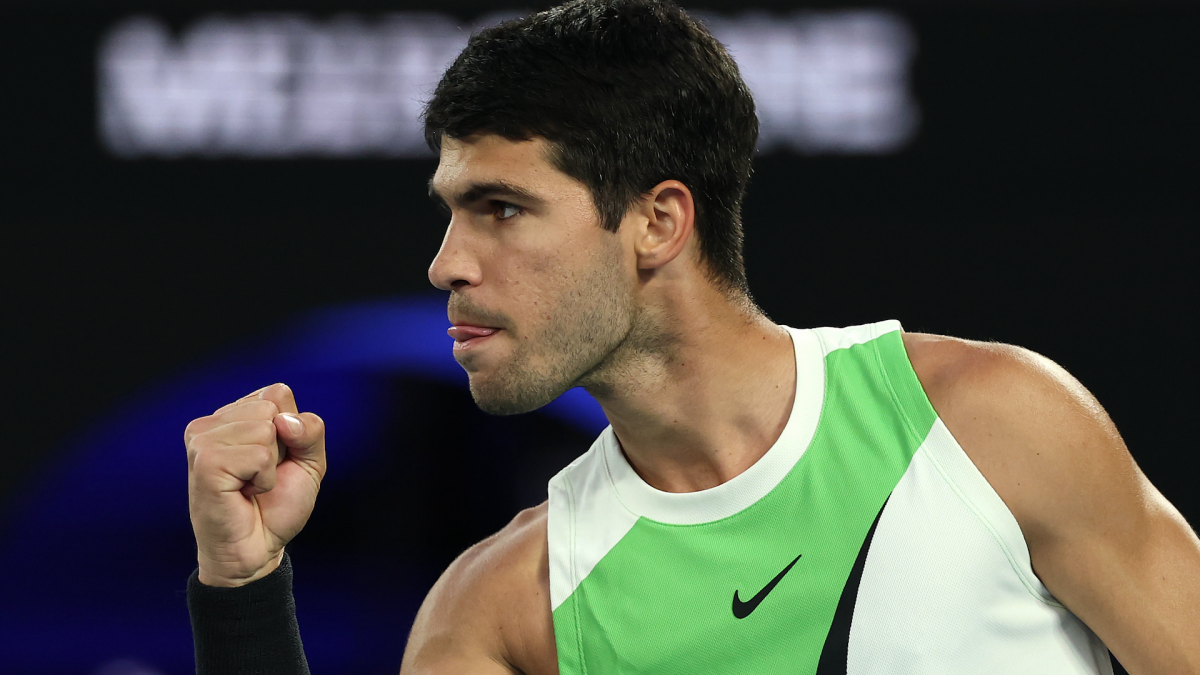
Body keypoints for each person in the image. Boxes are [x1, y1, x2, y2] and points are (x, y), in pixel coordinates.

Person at [183, 0, 1200, 673]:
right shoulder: (500, 610)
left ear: (660, 221)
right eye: (451, 209)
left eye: (500, 207)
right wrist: (240, 588)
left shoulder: (989, 422)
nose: (447, 262)